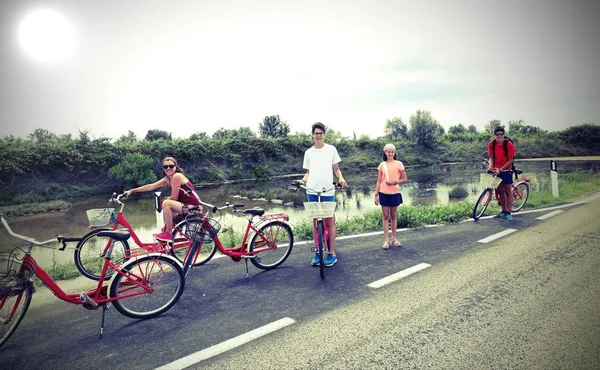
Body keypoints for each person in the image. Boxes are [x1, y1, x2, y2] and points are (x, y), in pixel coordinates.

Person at [298, 122, 348, 267]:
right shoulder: (308, 152)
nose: (318, 135)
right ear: (312, 135)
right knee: (315, 223)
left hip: (327, 190)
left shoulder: (331, 149)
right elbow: (308, 172)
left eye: (321, 133)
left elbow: (336, 169)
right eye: (316, 133)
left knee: (329, 221)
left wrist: (341, 178)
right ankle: (317, 252)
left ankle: (332, 253)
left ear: (324, 135)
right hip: (312, 190)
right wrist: (303, 180)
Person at [123, 156, 202, 241]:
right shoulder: (168, 179)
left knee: (166, 203)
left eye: (171, 166)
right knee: (162, 229)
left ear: (176, 167)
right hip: (185, 207)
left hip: (194, 208)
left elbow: (174, 198)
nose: (168, 168)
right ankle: (168, 244)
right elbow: (151, 186)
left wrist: (168, 199)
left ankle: (168, 234)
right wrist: (132, 190)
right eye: (165, 167)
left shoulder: (177, 176)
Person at [374, 143, 408, 249]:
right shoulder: (382, 165)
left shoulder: (399, 164)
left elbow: (405, 179)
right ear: (385, 152)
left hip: (395, 193)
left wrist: (394, 182)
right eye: (388, 151)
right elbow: (379, 181)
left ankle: (394, 239)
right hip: (383, 193)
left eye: (392, 151)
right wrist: (376, 195)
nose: (390, 153)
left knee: (393, 216)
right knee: (385, 216)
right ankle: (386, 241)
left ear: (394, 152)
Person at [488, 126, 516, 221]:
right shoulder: (491, 144)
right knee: (500, 192)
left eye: (501, 134)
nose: (499, 136)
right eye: (497, 134)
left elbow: (511, 160)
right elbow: (491, 158)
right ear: (494, 135)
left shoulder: (508, 144)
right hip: (496, 170)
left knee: (508, 192)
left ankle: (508, 213)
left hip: (506, 170)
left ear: (503, 135)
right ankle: (503, 211)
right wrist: (490, 167)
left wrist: (501, 169)